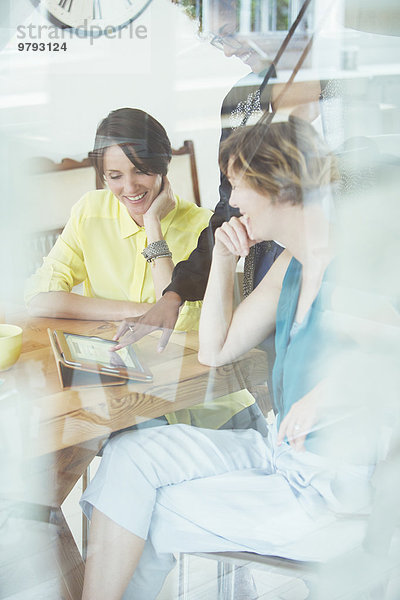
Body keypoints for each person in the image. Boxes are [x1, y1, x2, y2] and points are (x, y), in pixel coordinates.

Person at [80, 117, 375, 600]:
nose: (231, 201)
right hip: (281, 455)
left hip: (327, 493)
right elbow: (217, 350)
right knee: (128, 457)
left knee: (136, 506)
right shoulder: (291, 263)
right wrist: (222, 259)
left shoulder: (356, 264)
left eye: (238, 186)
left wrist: (325, 395)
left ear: (279, 189)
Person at [25, 107, 265, 432]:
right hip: (127, 403)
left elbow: (175, 327)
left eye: (141, 170)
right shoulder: (89, 212)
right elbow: (39, 298)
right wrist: (140, 313)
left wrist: (154, 226)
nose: (130, 187)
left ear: (163, 167)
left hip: (210, 406)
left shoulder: (204, 229)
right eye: (115, 176)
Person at [111, 0, 322, 354]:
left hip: (346, 275)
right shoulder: (240, 103)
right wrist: (174, 294)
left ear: (268, 13)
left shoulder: (357, 86)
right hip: (270, 287)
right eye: (215, 38)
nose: (227, 51)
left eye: (230, 34)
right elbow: (228, 212)